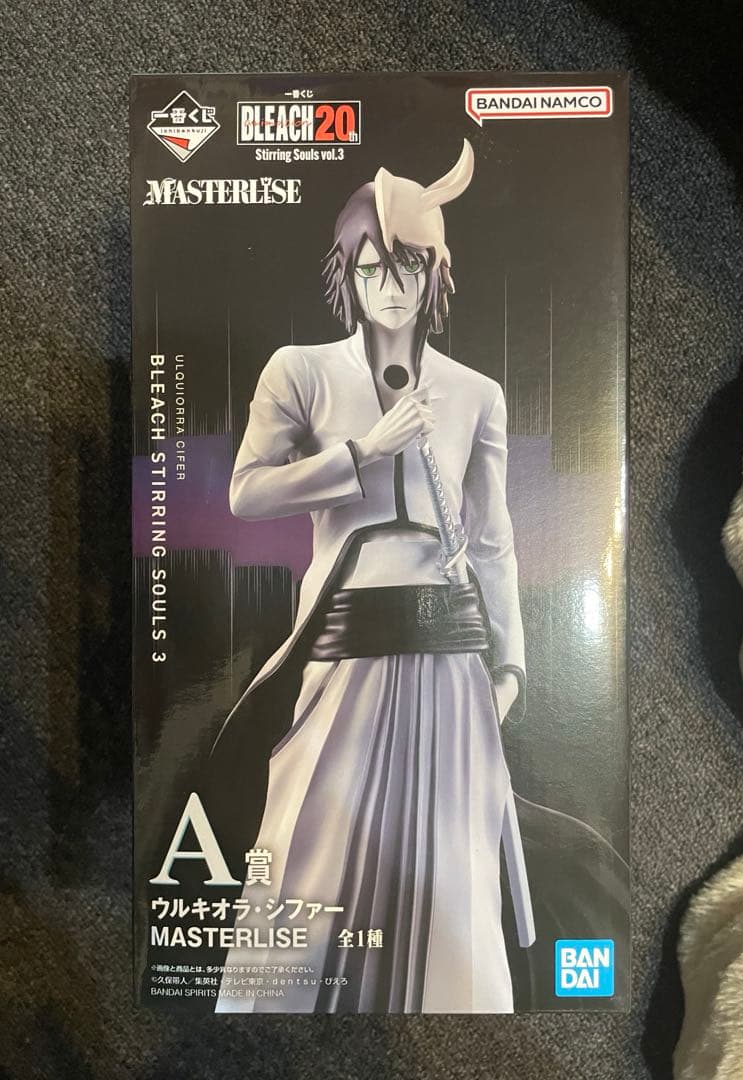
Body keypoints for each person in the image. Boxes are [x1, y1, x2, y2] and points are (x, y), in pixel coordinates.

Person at [213, 140, 534, 1013]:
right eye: (373, 266)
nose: (391, 284)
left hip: (453, 659)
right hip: (345, 651)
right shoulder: (302, 370)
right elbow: (245, 492)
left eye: (409, 265)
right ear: (347, 273)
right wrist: (359, 454)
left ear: (435, 272)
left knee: (454, 875)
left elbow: (494, 541)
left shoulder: (476, 393)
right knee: (306, 856)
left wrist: (510, 667)